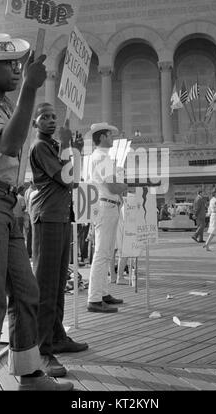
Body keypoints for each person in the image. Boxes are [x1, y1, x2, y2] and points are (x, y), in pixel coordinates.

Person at [0, 33, 73, 391]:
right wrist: (29, 88)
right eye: (8, 65)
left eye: (18, 65)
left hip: (8, 203)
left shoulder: (4, 107)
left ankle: (28, 373)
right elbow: (9, 143)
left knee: (26, 291)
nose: (16, 70)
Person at [29, 102, 89, 377]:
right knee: (45, 283)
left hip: (61, 216)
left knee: (58, 280)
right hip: (48, 217)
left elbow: (75, 179)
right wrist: (67, 147)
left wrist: (73, 150)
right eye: (45, 117)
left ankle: (57, 336)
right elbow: (66, 179)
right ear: (35, 123)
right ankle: (43, 350)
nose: (51, 121)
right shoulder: (41, 146)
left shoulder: (54, 147)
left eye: (54, 117)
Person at [87, 122, 128, 313]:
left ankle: (102, 293)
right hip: (106, 205)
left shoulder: (101, 157)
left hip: (107, 205)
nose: (112, 138)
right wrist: (124, 186)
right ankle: (94, 298)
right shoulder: (101, 157)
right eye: (110, 135)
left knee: (106, 252)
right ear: (102, 137)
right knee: (102, 253)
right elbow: (112, 186)